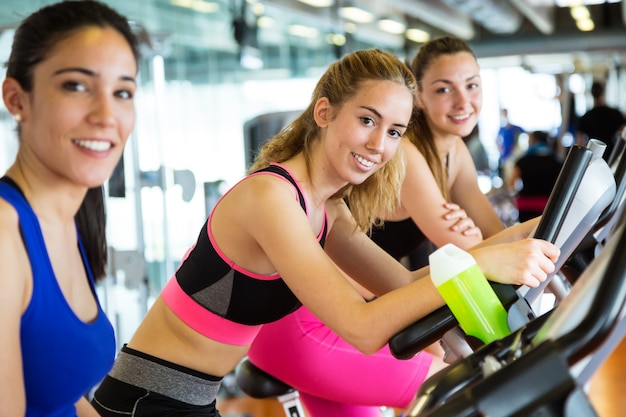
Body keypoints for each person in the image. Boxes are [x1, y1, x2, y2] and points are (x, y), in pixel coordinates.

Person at [91, 47, 558, 417]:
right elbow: (361, 326)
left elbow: (401, 286)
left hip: (192, 401)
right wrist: (479, 260)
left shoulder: (327, 208)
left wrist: (528, 233)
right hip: (142, 401)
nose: (379, 145)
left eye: (395, 131)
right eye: (367, 120)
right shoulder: (270, 197)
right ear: (324, 113)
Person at [246, 36, 515, 417]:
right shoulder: (277, 194)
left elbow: (469, 246)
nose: (462, 101)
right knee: (465, 390)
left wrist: (544, 234)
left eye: (472, 85)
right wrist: (504, 256)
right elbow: (467, 251)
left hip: (337, 315)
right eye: (367, 120)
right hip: (313, 324)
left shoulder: (338, 203)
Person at [0, 1, 139, 416]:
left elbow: (63, 395)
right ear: (17, 99)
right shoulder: (6, 237)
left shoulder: (68, 219)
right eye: (76, 86)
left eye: (122, 92)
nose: (105, 115)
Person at [507, 131, 563, 222]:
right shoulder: (558, 163)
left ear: (535, 141)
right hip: (548, 207)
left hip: (525, 205)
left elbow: (511, 185)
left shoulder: (522, 161)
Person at [576, 80, 626, 161]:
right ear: (604, 92)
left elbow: (580, 143)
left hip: (594, 158)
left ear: (592, 94)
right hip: (613, 157)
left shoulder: (586, 117)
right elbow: (624, 135)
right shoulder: (615, 114)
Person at [496, 108, 525, 178]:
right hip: (505, 155)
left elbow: (525, 135)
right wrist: (499, 148)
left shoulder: (516, 128)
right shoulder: (502, 129)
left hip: (514, 154)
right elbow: (497, 140)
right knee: (506, 173)